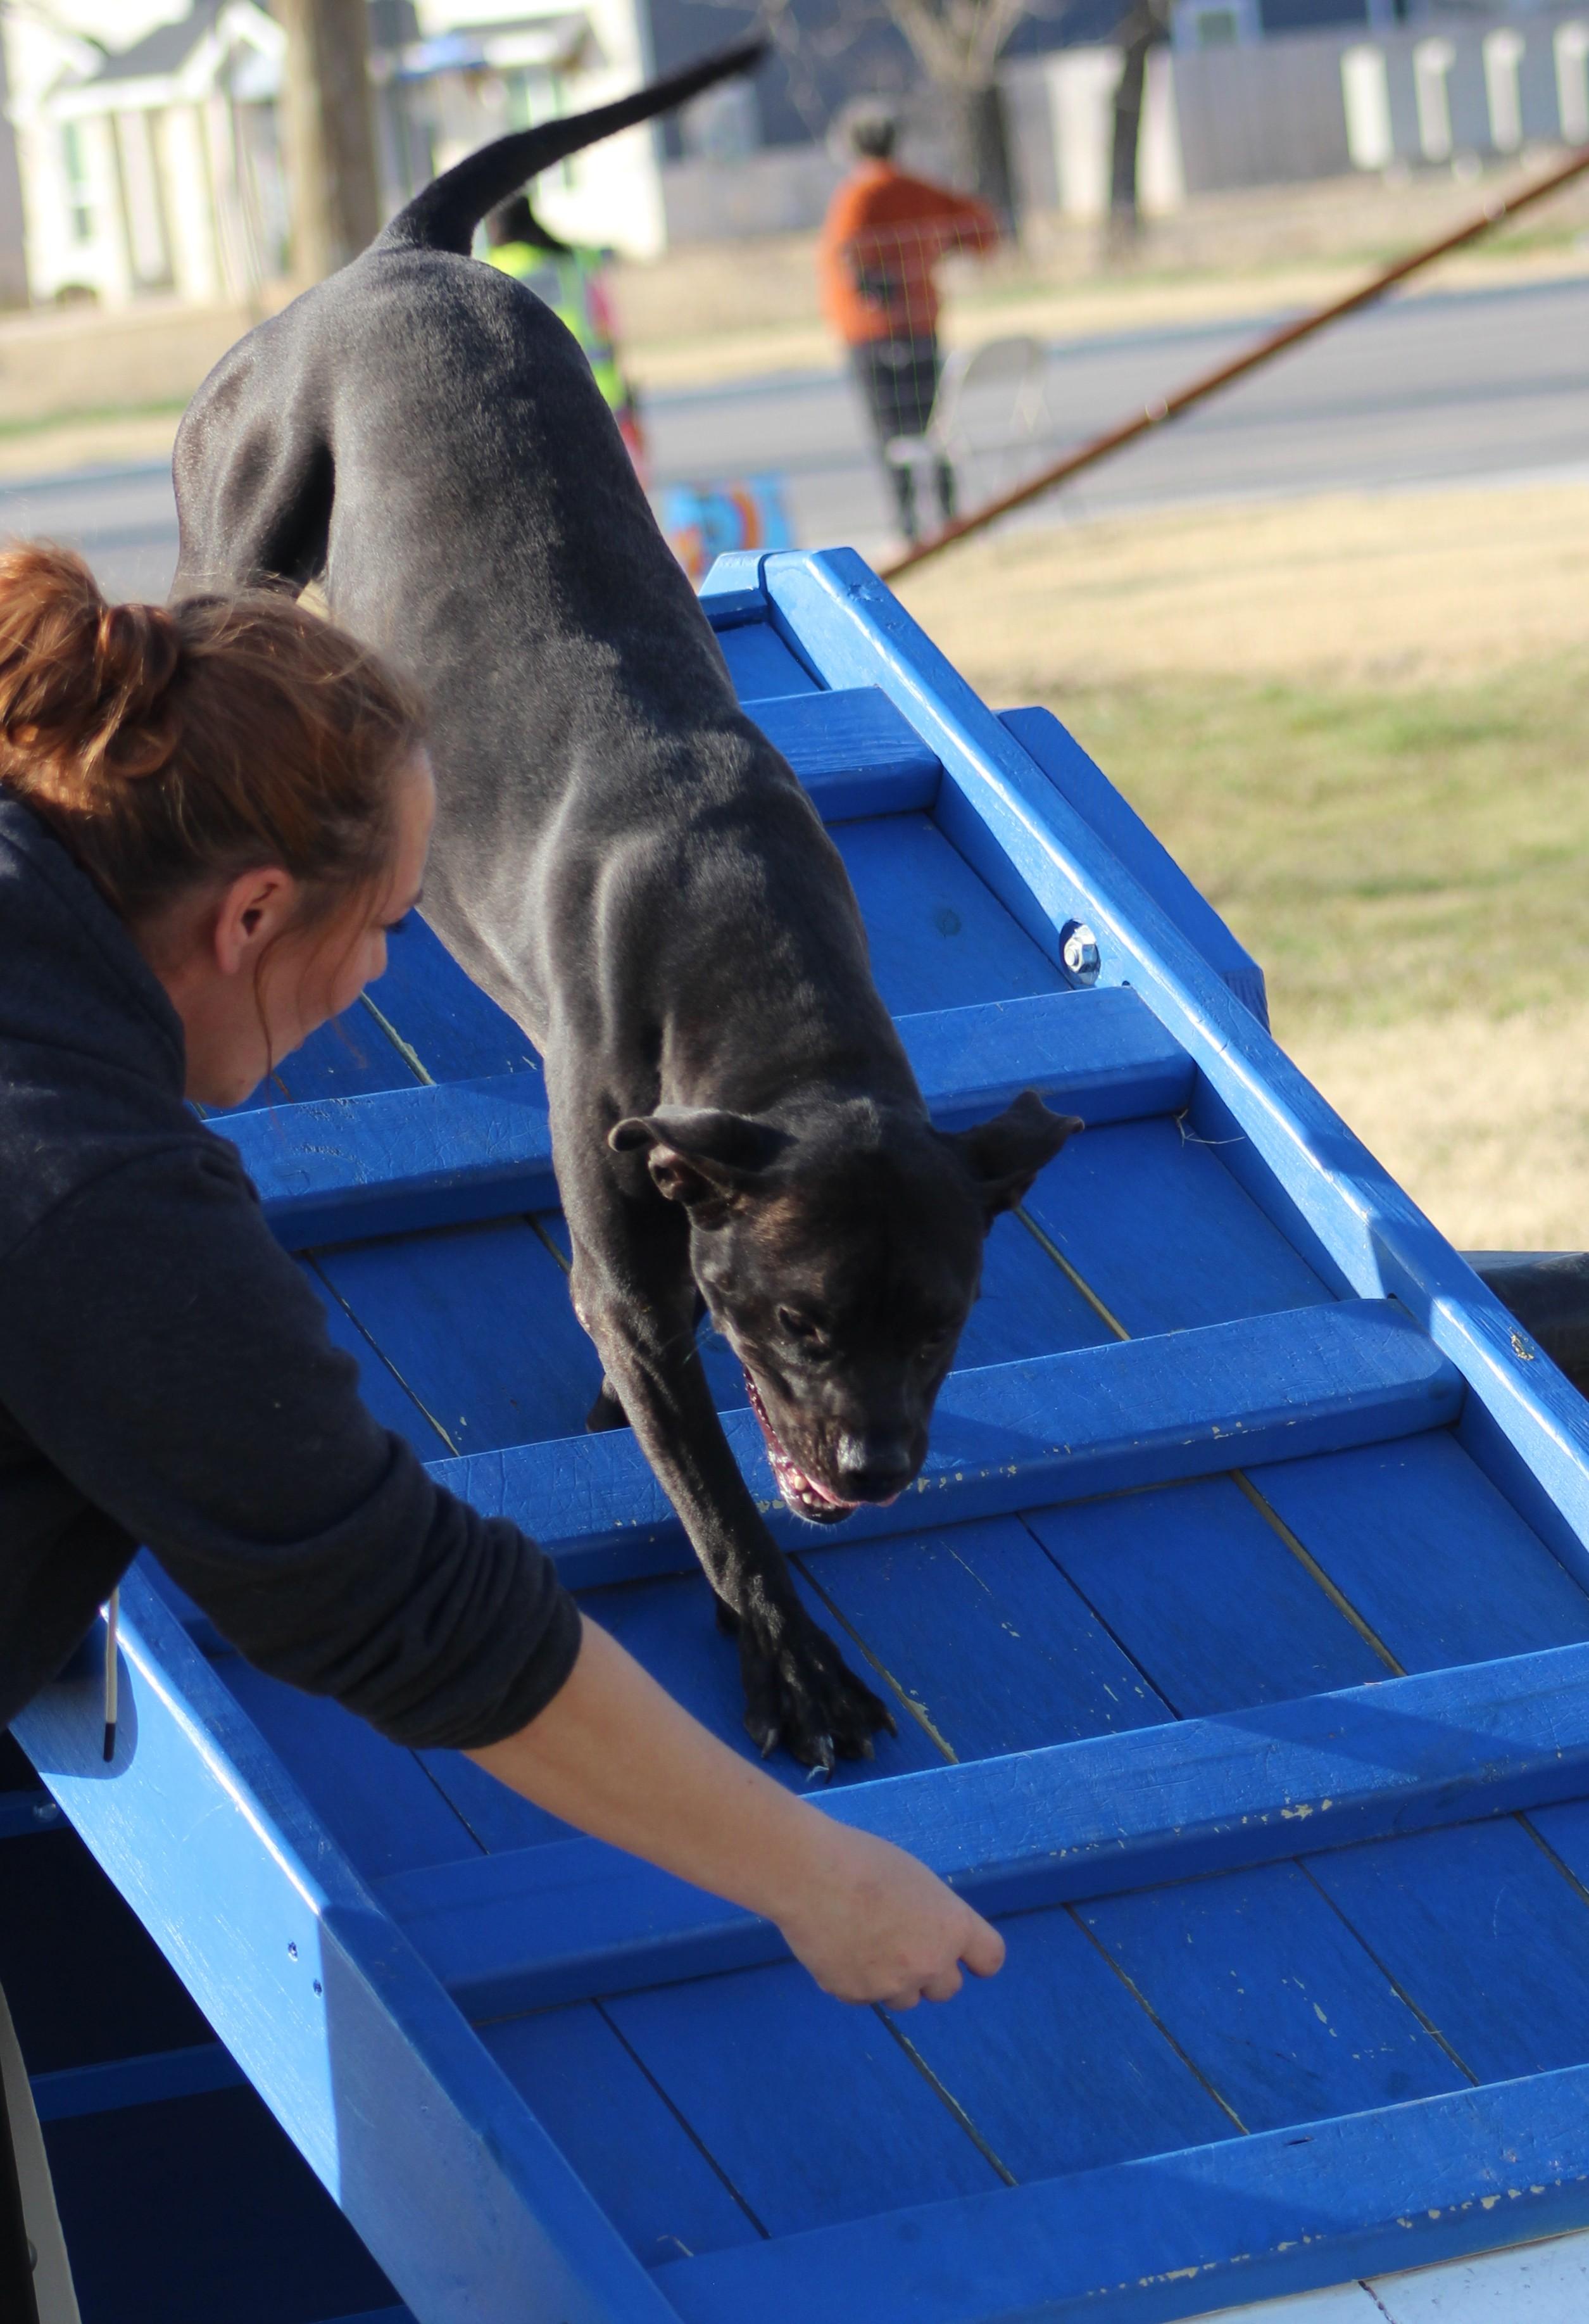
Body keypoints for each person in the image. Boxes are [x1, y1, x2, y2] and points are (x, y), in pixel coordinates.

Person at [0, 541, 1003, 2018]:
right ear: (256, 913)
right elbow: (396, 1597)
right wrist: (818, 1874)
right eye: (389, 924)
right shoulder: (88, 1187)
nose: (382, 979)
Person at [820, 108, 999, 544]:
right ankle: (948, 513)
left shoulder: (857, 196)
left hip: (870, 333)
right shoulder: (919, 190)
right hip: (921, 323)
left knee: (889, 432)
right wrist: (935, 254)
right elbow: (982, 230)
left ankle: (907, 525)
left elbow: (846, 257)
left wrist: (877, 289)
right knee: (933, 423)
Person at [484, 193, 648, 478]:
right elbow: (606, 326)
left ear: (496, 228)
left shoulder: (489, 271)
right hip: (601, 394)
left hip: (536, 408)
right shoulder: (572, 262)